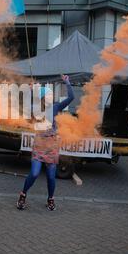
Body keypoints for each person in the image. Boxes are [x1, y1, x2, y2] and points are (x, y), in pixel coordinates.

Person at [17, 75, 74, 211]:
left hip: (52, 145)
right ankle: (22, 195)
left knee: (51, 176)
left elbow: (71, 98)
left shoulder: (55, 107)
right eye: (47, 96)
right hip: (39, 144)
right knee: (35, 173)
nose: (49, 99)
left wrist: (67, 82)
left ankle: (50, 198)